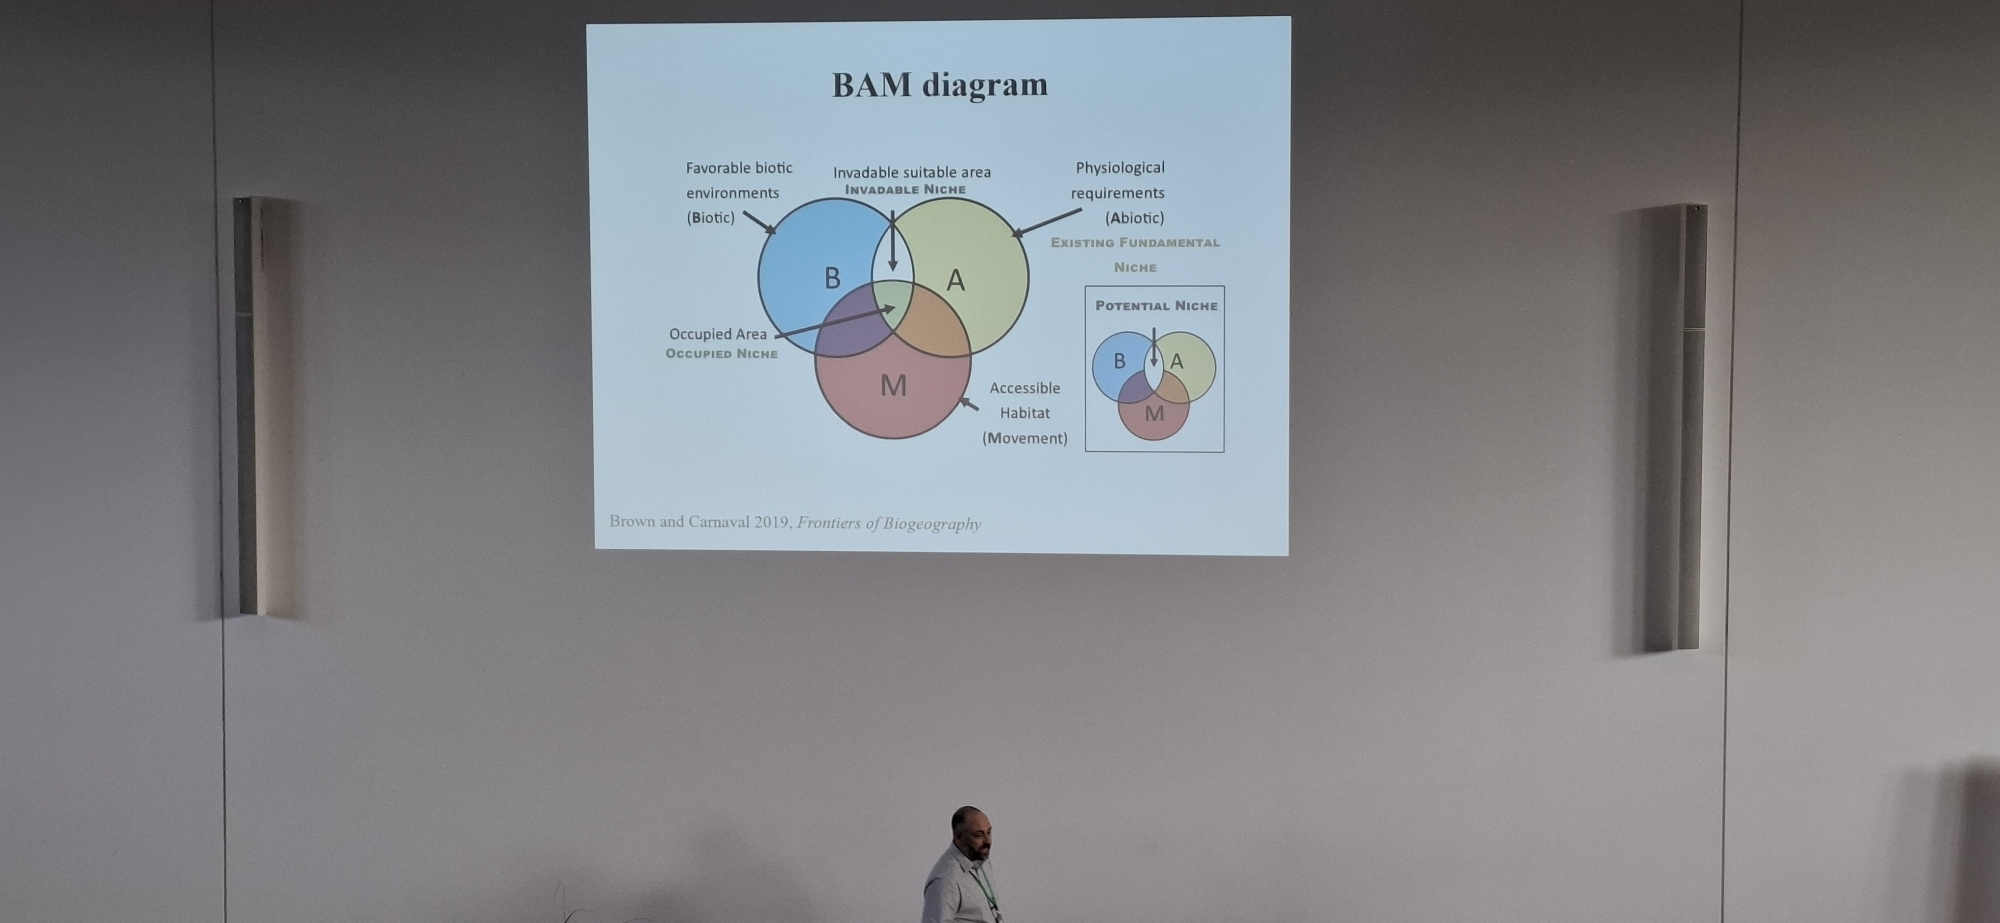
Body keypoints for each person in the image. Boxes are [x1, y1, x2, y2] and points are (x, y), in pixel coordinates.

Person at [922, 805, 1001, 923]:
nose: (987, 841)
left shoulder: (979, 861)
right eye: (978, 835)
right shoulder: (946, 879)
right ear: (958, 836)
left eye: (989, 832)